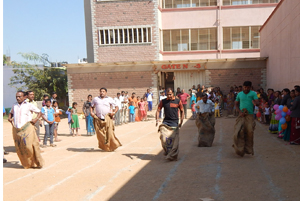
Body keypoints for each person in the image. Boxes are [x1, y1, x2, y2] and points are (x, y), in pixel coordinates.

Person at [8, 91, 44, 168]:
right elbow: (11, 112)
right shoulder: (14, 105)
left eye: (19, 96)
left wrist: (36, 119)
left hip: (27, 128)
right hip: (18, 129)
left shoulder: (29, 105)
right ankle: (27, 164)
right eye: (16, 96)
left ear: (25, 97)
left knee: (29, 147)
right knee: (20, 148)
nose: (18, 98)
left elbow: (40, 112)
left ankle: (37, 162)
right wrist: (9, 117)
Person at [156, 88, 184, 161]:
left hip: (174, 122)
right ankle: (167, 151)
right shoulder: (163, 101)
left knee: (174, 140)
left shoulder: (178, 101)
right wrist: (157, 119)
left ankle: (173, 155)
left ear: (173, 93)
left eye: (170, 94)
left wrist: (181, 121)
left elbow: (182, 111)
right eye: (168, 94)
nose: (169, 95)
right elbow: (158, 110)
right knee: (163, 137)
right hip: (166, 122)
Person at [233, 81, 259, 157]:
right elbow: (236, 104)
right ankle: (239, 149)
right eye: (245, 87)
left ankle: (248, 149)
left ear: (250, 87)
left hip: (250, 115)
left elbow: (257, 102)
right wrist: (240, 112)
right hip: (241, 115)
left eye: (248, 87)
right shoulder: (239, 94)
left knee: (249, 131)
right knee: (238, 131)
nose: (246, 88)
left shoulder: (253, 94)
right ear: (243, 87)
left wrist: (255, 103)